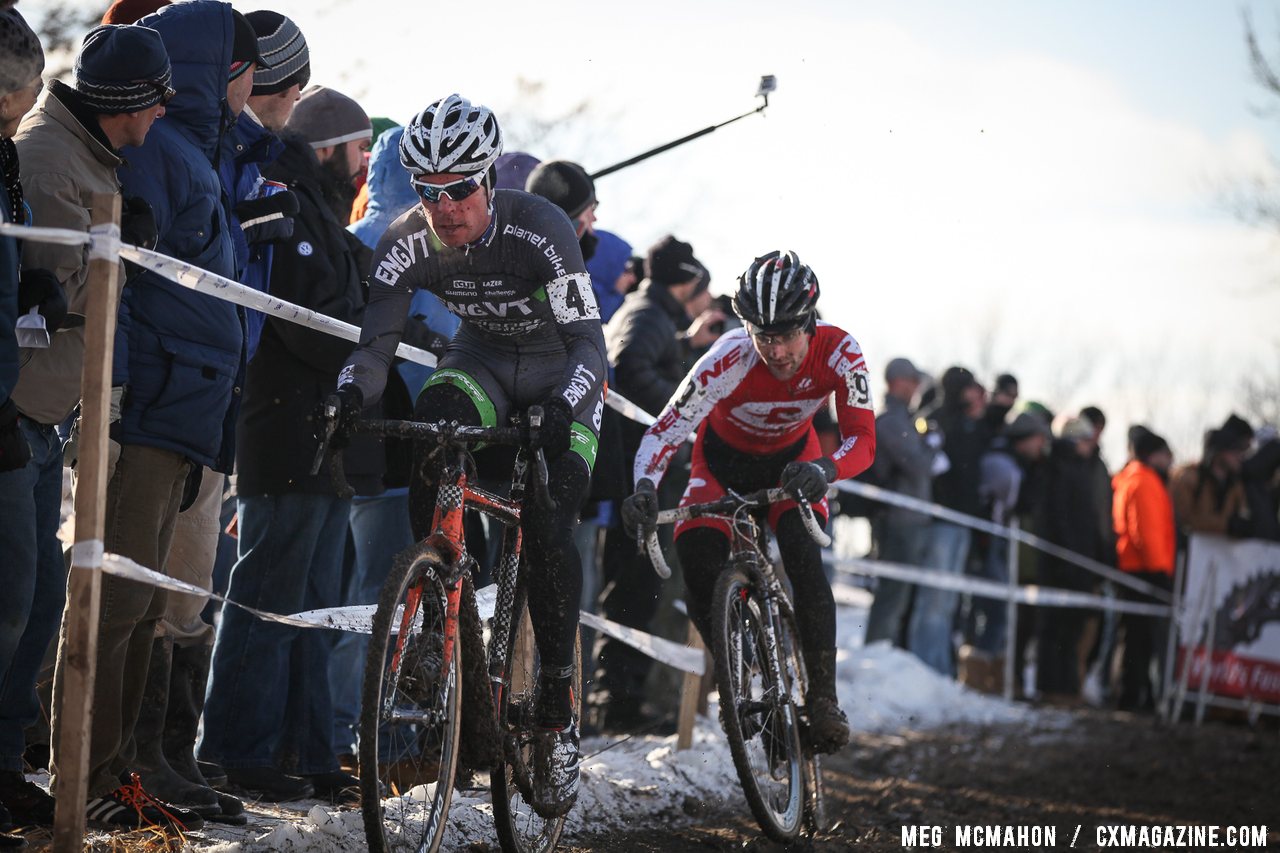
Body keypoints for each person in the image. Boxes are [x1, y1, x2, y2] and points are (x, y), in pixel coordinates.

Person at [330, 94, 606, 819]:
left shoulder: (540, 227)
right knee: (434, 423)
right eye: (427, 191)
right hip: (483, 363)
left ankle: (556, 700)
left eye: (458, 189)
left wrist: (562, 408)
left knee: (548, 522)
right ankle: (432, 616)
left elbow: (590, 348)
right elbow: (374, 348)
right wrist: (350, 398)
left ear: (488, 179)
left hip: (560, 376)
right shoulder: (405, 240)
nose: (444, 207)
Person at [47, 0, 258, 828]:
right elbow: (120, 286)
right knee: (120, 598)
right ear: (219, 72)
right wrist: (124, 389)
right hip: (150, 402)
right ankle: (89, 778)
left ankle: (127, 769)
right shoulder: (163, 155)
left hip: (186, 404)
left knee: (146, 600)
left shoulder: (190, 151)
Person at [2, 20, 171, 831]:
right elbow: (31, 294)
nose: (167, 109)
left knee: (33, 604)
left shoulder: (82, 155)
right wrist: (104, 256)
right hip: (15, 408)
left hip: (41, 415)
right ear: (128, 101)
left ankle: (6, 765)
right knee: (12, 601)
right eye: (157, 96)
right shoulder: (44, 156)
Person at [622, 250, 876, 753]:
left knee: (805, 560)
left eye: (786, 336)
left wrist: (825, 470)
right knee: (695, 561)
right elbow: (665, 432)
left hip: (792, 466)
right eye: (764, 337)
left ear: (809, 323)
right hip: (719, 467)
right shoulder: (727, 357)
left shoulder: (841, 351)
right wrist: (646, 488)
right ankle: (738, 683)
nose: (776, 351)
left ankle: (822, 700)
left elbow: (863, 441)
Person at [200, 86, 373, 804]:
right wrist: (372, 339)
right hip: (287, 430)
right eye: (359, 149)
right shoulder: (288, 199)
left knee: (319, 606)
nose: (365, 165)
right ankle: (238, 747)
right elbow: (302, 315)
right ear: (329, 146)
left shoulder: (323, 210)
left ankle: (308, 748)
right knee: (268, 599)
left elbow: (342, 296)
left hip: (327, 437)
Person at [594, 235, 710, 732]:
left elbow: (648, 361)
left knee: (641, 587)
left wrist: (686, 347)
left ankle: (624, 699)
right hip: (638, 472)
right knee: (632, 587)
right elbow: (627, 369)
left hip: (646, 469)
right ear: (685, 282)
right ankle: (616, 703)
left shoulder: (656, 316)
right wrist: (683, 413)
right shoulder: (645, 313)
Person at [958, 412, 1049, 693]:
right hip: (987, 541)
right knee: (996, 608)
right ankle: (977, 673)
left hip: (994, 541)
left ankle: (987, 673)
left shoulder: (1013, 463)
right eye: (1038, 440)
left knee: (992, 607)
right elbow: (1016, 504)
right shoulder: (1003, 466)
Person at [914, 366, 990, 676]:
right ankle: (923, 666)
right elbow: (934, 468)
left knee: (948, 602)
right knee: (933, 599)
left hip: (963, 520)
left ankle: (940, 668)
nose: (975, 392)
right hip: (940, 519)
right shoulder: (934, 418)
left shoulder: (971, 424)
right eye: (970, 386)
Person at [863, 357, 942, 648]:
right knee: (891, 593)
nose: (917, 388)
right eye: (913, 381)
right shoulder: (890, 421)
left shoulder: (905, 420)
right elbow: (918, 465)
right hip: (898, 519)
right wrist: (932, 448)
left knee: (902, 595)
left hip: (911, 517)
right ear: (898, 382)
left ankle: (888, 652)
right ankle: (876, 652)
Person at [1111, 430, 1175, 711]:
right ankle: (1133, 695)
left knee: (1138, 638)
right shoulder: (1143, 482)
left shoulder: (1136, 479)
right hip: (1144, 570)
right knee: (1139, 638)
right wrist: (1159, 569)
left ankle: (1139, 693)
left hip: (1138, 568)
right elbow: (1146, 532)